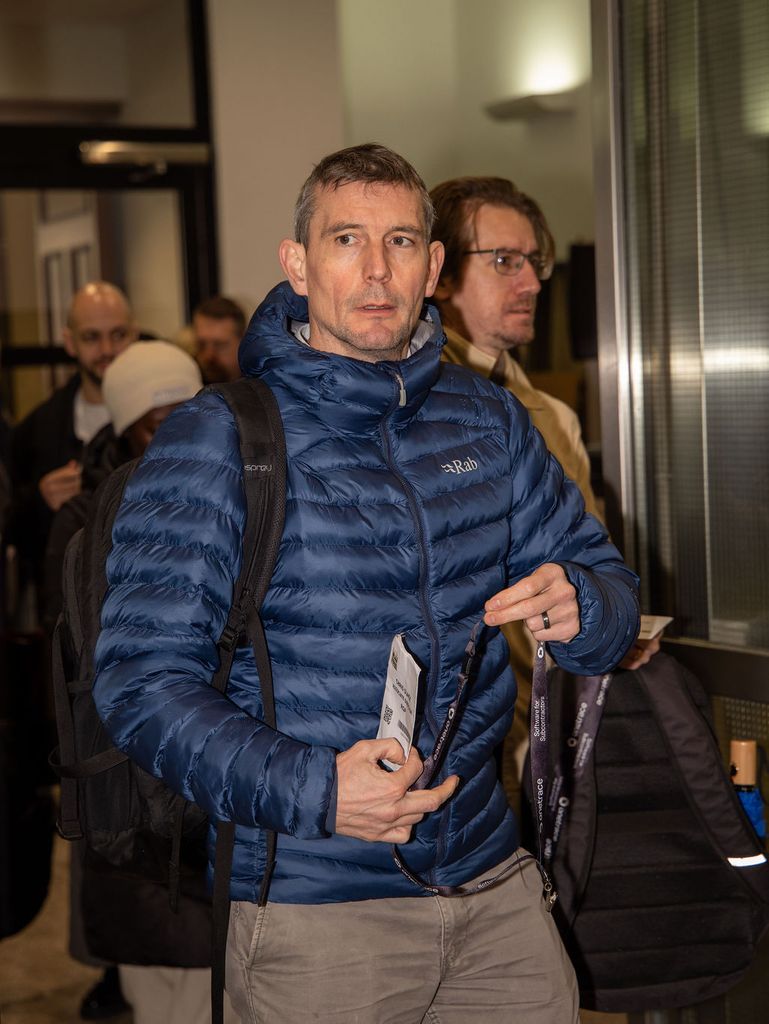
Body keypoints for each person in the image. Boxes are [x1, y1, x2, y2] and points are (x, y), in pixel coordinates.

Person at [93, 143, 640, 1024]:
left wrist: (588, 604)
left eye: (400, 242)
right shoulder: (219, 438)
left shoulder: (487, 417)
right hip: (315, 905)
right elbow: (140, 685)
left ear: (433, 266)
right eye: (346, 239)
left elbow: (608, 587)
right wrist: (318, 791)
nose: (376, 269)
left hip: (490, 880)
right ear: (297, 263)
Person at [429, 176, 660, 802]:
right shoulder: (409, 410)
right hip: (449, 734)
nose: (532, 283)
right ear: (440, 273)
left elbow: (593, 565)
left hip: (548, 722)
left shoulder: (554, 418)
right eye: (505, 261)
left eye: (535, 262)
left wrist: (612, 624)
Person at [8, 281, 137, 605]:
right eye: (91, 337)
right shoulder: (38, 429)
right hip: (66, 604)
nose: (107, 349)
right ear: (69, 342)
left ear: (134, 334)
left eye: (118, 334)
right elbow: (12, 528)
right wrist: (40, 499)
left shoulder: (161, 416)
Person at [192, 295, 246, 384]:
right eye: (201, 345)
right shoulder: (189, 379)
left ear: (244, 343)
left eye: (219, 345)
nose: (208, 355)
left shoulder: (263, 385)